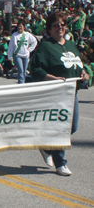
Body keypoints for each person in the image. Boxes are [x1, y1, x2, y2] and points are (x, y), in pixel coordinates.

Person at [30, 12, 89, 176]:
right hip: (55, 95)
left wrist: (85, 73)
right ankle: (60, 163)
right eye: (56, 25)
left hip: (72, 93)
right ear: (49, 29)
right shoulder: (45, 47)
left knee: (73, 127)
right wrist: (52, 78)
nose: (60, 27)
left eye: (62, 24)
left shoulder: (70, 44)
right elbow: (35, 69)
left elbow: (79, 64)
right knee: (61, 128)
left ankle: (47, 147)